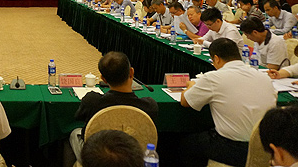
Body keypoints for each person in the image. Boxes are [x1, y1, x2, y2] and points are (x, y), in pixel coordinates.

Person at [180, 38, 277, 167]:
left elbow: (185, 101)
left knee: (184, 144)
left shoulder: (213, 77)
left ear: (216, 59)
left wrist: (190, 85)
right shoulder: (264, 77)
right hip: (265, 147)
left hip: (233, 148)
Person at [68, 52, 157, 165]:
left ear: (103, 79)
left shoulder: (92, 101)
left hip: (98, 158)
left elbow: (78, 117)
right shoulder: (150, 106)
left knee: (75, 133)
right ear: (131, 72)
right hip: (134, 157)